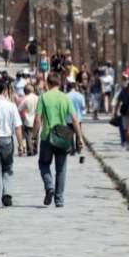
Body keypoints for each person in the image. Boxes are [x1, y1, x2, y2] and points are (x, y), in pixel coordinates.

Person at [32, 72, 83, 207]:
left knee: (43, 164)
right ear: (59, 84)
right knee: (61, 169)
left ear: (48, 84)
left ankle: (49, 187)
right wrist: (79, 137)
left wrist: (33, 136)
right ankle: (59, 200)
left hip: (47, 137)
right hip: (62, 137)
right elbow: (74, 119)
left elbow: (37, 119)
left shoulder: (43, 97)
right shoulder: (65, 98)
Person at [0, 77, 24, 208]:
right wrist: (21, 144)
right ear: (5, 90)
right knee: (8, 169)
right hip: (7, 140)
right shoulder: (11, 106)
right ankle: (7, 193)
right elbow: (17, 126)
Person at [114, 76, 129, 149]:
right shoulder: (123, 91)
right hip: (125, 112)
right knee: (126, 129)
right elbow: (118, 101)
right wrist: (115, 112)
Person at [66, 78, 86, 155]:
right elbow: (83, 107)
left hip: (68, 119)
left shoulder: (66, 96)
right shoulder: (80, 96)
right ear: (75, 87)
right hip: (78, 118)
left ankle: (71, 150)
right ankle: (78, 149)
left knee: (70, 135)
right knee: (78, 134)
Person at [18, 84, 39, 156]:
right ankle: (35, 149)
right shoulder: (38, 98)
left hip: (28, 119)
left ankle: (30, 150)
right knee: (36, 135)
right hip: (37, 119)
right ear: (32, 90)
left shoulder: (26, 99)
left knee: (28, 136)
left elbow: (19, 108)